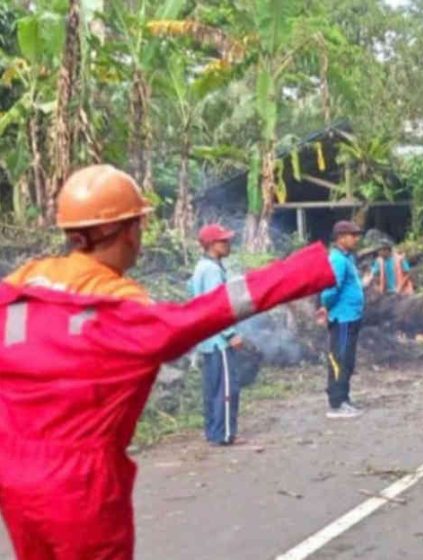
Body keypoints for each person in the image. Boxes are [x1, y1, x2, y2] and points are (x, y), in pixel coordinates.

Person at [0, 164, 335, 559]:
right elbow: (205, 314)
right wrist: (303, 270)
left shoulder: (22, 282)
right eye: (139, 227)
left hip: (13, 472)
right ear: (127, 232)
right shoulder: (125, 309)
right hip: (79, 485)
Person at [190, 224, 244, 446]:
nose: (228, 244)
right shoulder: (211, 270)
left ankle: (214, 431)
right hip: (218, 340)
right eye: (224, 241)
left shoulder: (203, 266)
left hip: (207, 339)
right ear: (212, 245)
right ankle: (225, 434)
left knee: (213, 388)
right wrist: (230, 333)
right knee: (227, 388)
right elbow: (217, 306)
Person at [317, 220, 365, 419]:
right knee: (340, 358)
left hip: (350, 316)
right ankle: (337, 402)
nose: (356, 239)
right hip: (343, 317)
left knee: (347, 358)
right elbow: (330, 288)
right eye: (352, 235)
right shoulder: (337, 259)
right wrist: (325, 307)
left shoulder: (346, 258)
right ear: (341, 237)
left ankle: (343, 397)